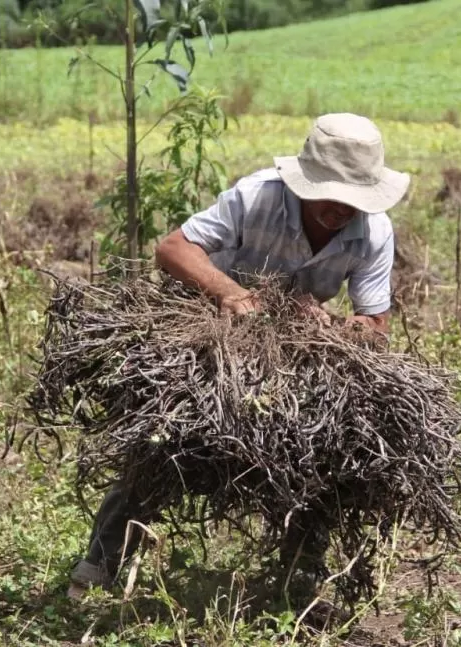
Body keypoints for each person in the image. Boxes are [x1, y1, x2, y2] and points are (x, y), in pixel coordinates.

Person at [68, 112, 411, 600]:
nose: (342, 208)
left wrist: (343, 328)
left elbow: (375, 326)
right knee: (161, 441)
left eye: (354, 198)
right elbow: (174, 249)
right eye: (332, 195)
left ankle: (300, 581)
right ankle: (99, 567)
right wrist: (230, 293)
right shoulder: (258, 196)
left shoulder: (374, 232)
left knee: (325, 448)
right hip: (209, 333)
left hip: (297, 348)